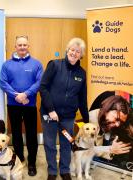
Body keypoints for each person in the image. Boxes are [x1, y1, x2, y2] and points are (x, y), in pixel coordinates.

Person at [40, 37, 89, 180]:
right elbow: (43, 87)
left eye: (78, 51)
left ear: (81, 55)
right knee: (50, 144)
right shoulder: (55, 65)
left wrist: (86, 119)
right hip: (49, 114)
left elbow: (82, 98)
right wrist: (50, 109)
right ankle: (52, 172)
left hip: (68, 116)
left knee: (66, 144)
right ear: (67, 50)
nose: (74, 53)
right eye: (72, 50)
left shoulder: (82, 73)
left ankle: (65, 170)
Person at [0, 35, 43, 176]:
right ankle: (19, 159)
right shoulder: (7, 65)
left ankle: (31, 163)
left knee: (31, 134)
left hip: (30, 105)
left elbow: (39, 82)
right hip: (13, 105)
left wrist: (25, 95)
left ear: (28, 46)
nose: (22, 47)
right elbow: (3, 82)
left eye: (25, 45)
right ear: (15, 46)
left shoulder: (36, 64)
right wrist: (17, 96)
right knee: (16, 134)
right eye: (20, 45)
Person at [89, 95, 132, 170]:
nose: (118, 124)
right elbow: (80, 149)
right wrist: (110, 149)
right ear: (107, 109)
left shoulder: (110, 123)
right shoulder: (88, 120)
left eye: (121, 122)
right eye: (117, 118)